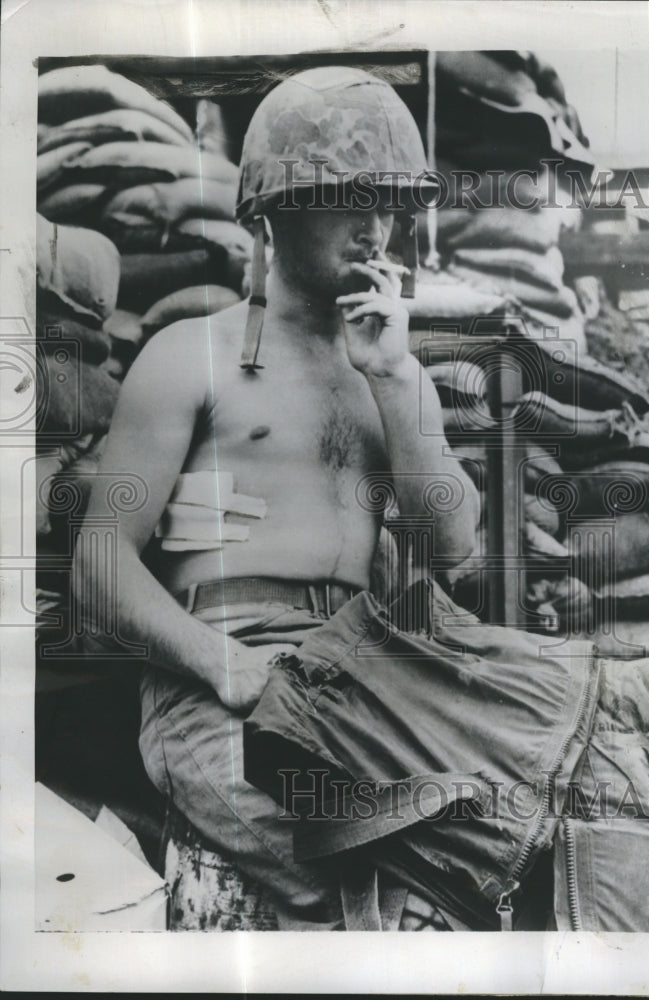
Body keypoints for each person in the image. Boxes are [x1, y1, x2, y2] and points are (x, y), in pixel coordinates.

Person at [75, 66, 480, 930]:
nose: (374, 225)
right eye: (344, 195)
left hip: (366, 679)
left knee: (508, 826)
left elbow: (453, 547)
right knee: (356, 866)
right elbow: (98, 565)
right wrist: (224, 666)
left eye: (388, 199)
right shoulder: (193, 355)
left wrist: (396, 379)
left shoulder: (396, 371)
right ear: (273, 209)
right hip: (221, 678)